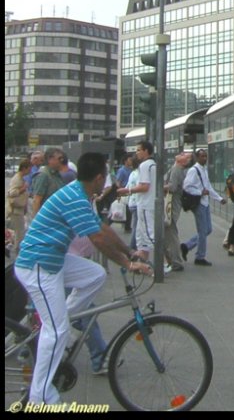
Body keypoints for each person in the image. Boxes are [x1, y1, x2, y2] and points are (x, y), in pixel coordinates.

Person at [14, 151, 151, 405]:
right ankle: (40, 396)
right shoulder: (75, 197)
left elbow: (103, 229)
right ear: (99, 178)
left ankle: (61, 320)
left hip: (52, 259)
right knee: (55, 332)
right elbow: (97, 239)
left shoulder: (81, 193)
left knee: (95, 274)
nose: (107, 181)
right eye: (106, 176)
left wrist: (130, 251)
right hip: (38, 265)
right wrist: (127, 263)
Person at [180, 149, 226, 267]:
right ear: (196, 157)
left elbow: (208, 187)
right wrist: (200, 192)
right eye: (202, 156)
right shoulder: (193, 171)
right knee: (202, 231)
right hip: (198, 204)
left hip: (204, 203)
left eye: (205, 156)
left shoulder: (204, 170)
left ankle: (187, 246)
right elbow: (186, 186)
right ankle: (200, 257)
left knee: (208, 229)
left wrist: (219, 199)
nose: (204, 158)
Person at [117, 140, 155, 261]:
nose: (137, 153)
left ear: (146, 151)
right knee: (141, 234)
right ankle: (143, 260)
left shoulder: (144, 166)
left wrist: (127, 191)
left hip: (145, 204)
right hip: (146, 203)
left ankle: (164, 262)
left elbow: (144, 186)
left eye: (139, 150)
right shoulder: (153, 165)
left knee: (149, 235)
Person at [164, 151, 192, 271]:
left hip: (171, 205)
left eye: (184, 155)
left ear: (184, 161)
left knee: (170, 233)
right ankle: (171, 259)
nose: (181, 154)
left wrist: (158, 186)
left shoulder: (176, 170)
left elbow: (172, 187)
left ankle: (175, 260)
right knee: (169, 233)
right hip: (173, 205)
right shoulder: (176, 168)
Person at [5, 158, 31, 255]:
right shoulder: (17, 179)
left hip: (19, 210)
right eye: (29, 169)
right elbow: (11, 193)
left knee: (18, 232)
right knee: (19, 233)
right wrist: (22, 189)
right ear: (24, 168)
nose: (30, 171)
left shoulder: (21, 178)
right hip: (15, 210)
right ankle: (18, 253)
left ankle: (12, 247)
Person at [30, 148, 66, 218]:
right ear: (50, 159)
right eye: (59, 158)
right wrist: (37, 221)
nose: (62, 160)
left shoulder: (57, 175)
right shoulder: (43, 175)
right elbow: (36, 200)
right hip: (46, 217)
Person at [115, 153, 134, 232]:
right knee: (126, 209)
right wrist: (120, 191)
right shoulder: (122, 170)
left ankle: (127, 225)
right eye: (130, 160)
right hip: (124, 191)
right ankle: (127, 226)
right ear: (126, 161)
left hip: (130, 191)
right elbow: (118, 182)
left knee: (128, 209)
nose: (131, 161)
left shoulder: (131, 169)